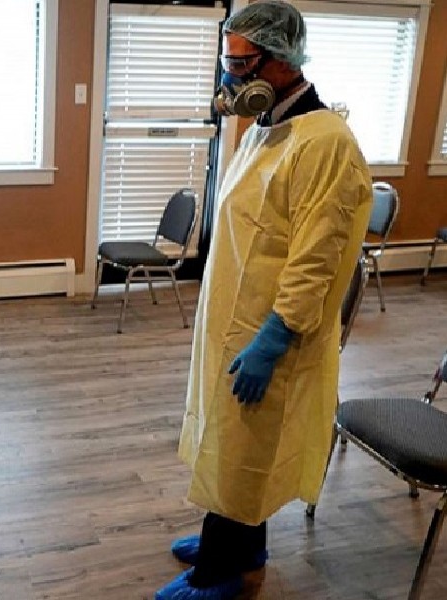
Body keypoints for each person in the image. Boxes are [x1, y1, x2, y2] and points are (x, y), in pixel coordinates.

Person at [156, 2, 373, 599]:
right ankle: (241, 543)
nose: (229, 76)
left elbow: (316, 258)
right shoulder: (266, 129)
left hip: (268, 331)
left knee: (243, 446)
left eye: (239, 63)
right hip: (232, 318)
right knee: (231, 443)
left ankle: (223, 573)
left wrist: (274, 337)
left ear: (281, 61)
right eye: (227, 61)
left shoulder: (324, 142)